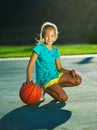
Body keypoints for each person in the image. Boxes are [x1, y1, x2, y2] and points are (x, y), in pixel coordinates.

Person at [26, 22, 82, 102]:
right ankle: (43, 88)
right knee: (63, 98)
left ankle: (54, 87)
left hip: (56, 75)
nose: (49, 38)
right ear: (43, 36)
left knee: (78, 79)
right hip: (45, 79)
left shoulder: (55, 50)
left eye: (52, 36)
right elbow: (30, 64)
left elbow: (59, 68)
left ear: (55, 37)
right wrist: (28, 80)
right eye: (47, 36)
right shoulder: (39, 48)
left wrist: (70, 72)